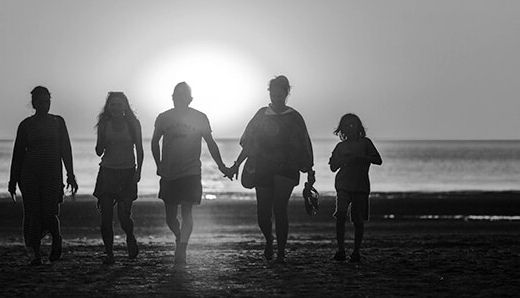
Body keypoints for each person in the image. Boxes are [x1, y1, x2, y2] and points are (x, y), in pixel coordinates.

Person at [228, 75, 315, 263]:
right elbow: (249, 144)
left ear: (287, 93)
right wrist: (237, 164)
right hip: (262, 167)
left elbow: (304, 145)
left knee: (280, 208)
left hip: (287, 168)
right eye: (273, 94)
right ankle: (269, 240)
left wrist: (309, 171)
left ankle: (281, 251)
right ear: (269, 93)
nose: (276, 98)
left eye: (280, 94)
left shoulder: (295, 117)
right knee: (263, 213)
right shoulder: (261, 115)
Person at [151, 82, 230, 264]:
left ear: (190, 99)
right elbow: (155, 141)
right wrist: (159, 164)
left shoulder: (200, 117)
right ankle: (179, 237)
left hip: (191, 172)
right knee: (170, 218)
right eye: (176, 96)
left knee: (187, 214)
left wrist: (221, 165)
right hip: (169, 173)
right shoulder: (164, 117)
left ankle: (182, 248)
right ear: (172, 98)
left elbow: (210, 142)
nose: (179, 99)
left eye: (183, 96)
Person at [8, 86, 78, 266]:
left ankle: (56, 238)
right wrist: (13, 180)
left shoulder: (58, 122)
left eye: (47, 102)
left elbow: (65, 149)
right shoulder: (26, 125)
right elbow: (18, 154)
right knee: (33, 213)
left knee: (49, 212)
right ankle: (36, 255)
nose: (44, 105)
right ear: (33, 104)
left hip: (52, 174)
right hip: (29, 174)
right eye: (40, 102)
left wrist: (71, 174)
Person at [94, 92, 143, 264]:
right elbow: (99, 151)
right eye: (112, 105)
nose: (115, 108)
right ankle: (110, 254)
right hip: (108, 172)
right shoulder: (104, 124)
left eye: (119, 104)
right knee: (106, 218)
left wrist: (139, 171)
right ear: (108, 107)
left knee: (124, 216)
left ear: (125, 107)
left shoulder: (133, 124)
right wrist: (101, 138)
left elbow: (140, 149)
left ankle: (130, 237)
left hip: (127, 173)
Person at [328, 113, 382, 263]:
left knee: (358, 220)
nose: (350, 127)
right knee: (340, 215)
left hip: (360, 186)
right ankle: (341, 250)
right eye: (346, 125)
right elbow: (332, 167)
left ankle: (356, 251)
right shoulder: (340, 146)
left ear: (358, 127)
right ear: (341, 129)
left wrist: (362, 158)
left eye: (352, 124)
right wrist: (343, 160)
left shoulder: (365, 143)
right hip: (343, 185)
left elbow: (378, 160)